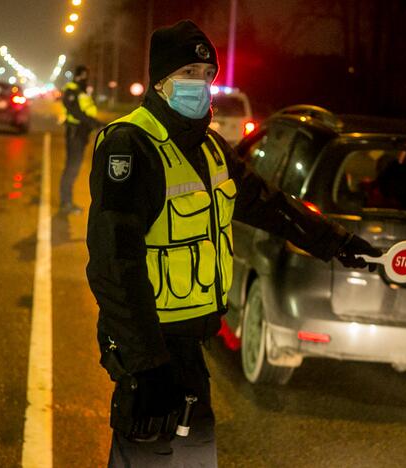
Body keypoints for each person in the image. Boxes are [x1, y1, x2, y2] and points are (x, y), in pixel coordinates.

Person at [85, 20, 380, 466]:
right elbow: (113, 264)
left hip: (191, 350)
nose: (201, 87)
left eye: (207, 76)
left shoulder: (211, 148)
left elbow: (268, 204)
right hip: (150, 349)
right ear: (161, 81)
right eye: (189, 74)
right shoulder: (131, 146)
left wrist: (335, 242)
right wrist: (147, 366)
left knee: (197, 459)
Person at [61, 65, 103, 214]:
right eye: (84, 75)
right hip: (75, 133)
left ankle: (67, 201)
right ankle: (66, 202)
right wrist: (94, 123)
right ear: (79, 75)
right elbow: (76, 111)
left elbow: (86, 109)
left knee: (74, 168)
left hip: (81, 134)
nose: (85, 78)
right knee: (71, 168)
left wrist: (95, 123)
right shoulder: (71, 90)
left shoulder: (82, 90)